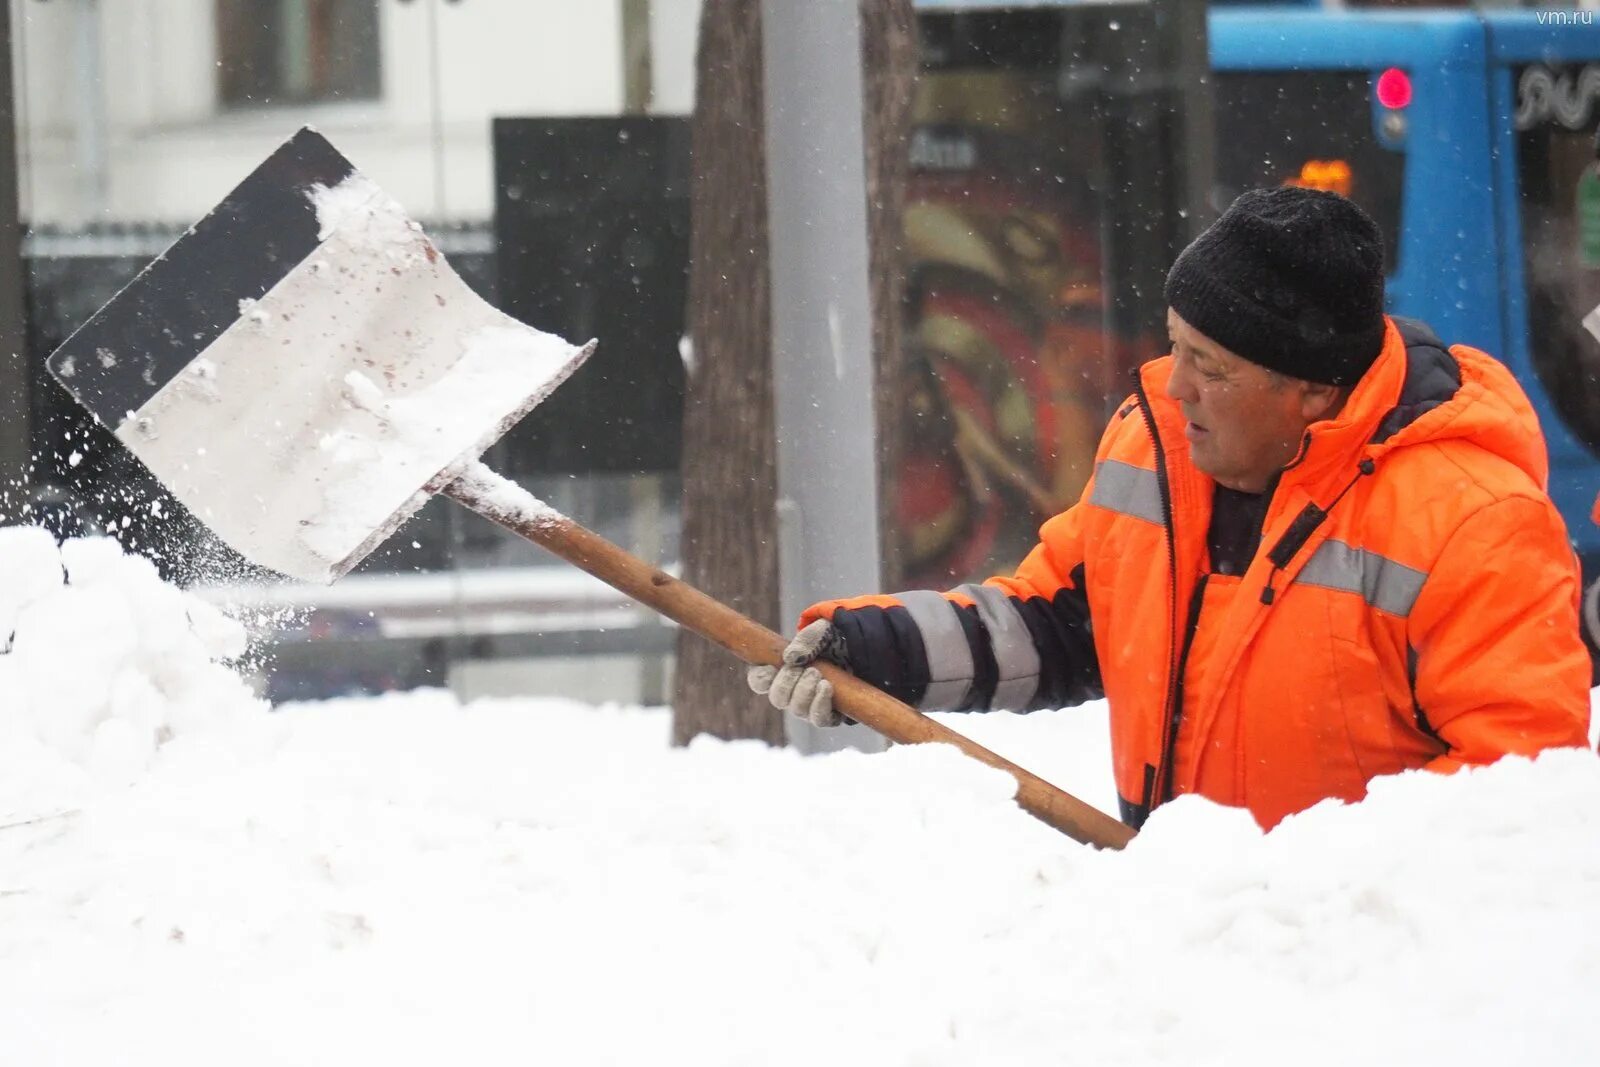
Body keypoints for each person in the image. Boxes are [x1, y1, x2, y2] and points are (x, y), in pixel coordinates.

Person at [749, 186, 1594, 830]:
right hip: (1186, 949)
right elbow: (1054, 622)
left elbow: (1519, 789)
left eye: (1211, 366)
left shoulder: (1473, 526)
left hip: (1360, 978)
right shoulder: (1152, 454)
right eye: (1174, 345)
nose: (1174, 386)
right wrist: (875, 649)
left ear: (1309, 391)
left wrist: (1308, 891)